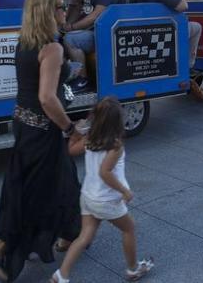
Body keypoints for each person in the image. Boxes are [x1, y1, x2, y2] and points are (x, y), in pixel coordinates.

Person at [0, 0, 82, 282]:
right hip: (43, 130)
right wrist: (70, 128)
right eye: (61, 8)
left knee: (59, 181)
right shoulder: (52, 48)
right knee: (36, 193)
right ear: (48, 13)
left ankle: (67, 233)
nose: (65, 12)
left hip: (24, 125)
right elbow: (48, 98)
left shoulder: (25, 42)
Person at [52, 97, 154, 283]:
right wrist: (125, 191)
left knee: (84, 237)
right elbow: (105, 173)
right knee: (129, 229)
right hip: (107, 200)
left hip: (88, 196)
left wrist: (76, 134)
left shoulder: (90, 137)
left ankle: (61, 275)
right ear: (117, 122)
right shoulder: (115, 145)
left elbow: (71, 150)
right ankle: (133, 270)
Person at [134, 0, 203, 101]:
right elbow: (183, 5)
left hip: (142, 32)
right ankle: (188, 66)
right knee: (197, 27)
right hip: (162, 33)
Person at [62, 0, 126, 92]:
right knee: (59, 37)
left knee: (70, 39)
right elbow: (81, 8)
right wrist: (66, 25)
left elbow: (95, 15)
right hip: (91, 30)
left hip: (104, 34)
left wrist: (72, 28)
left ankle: (82, 80)